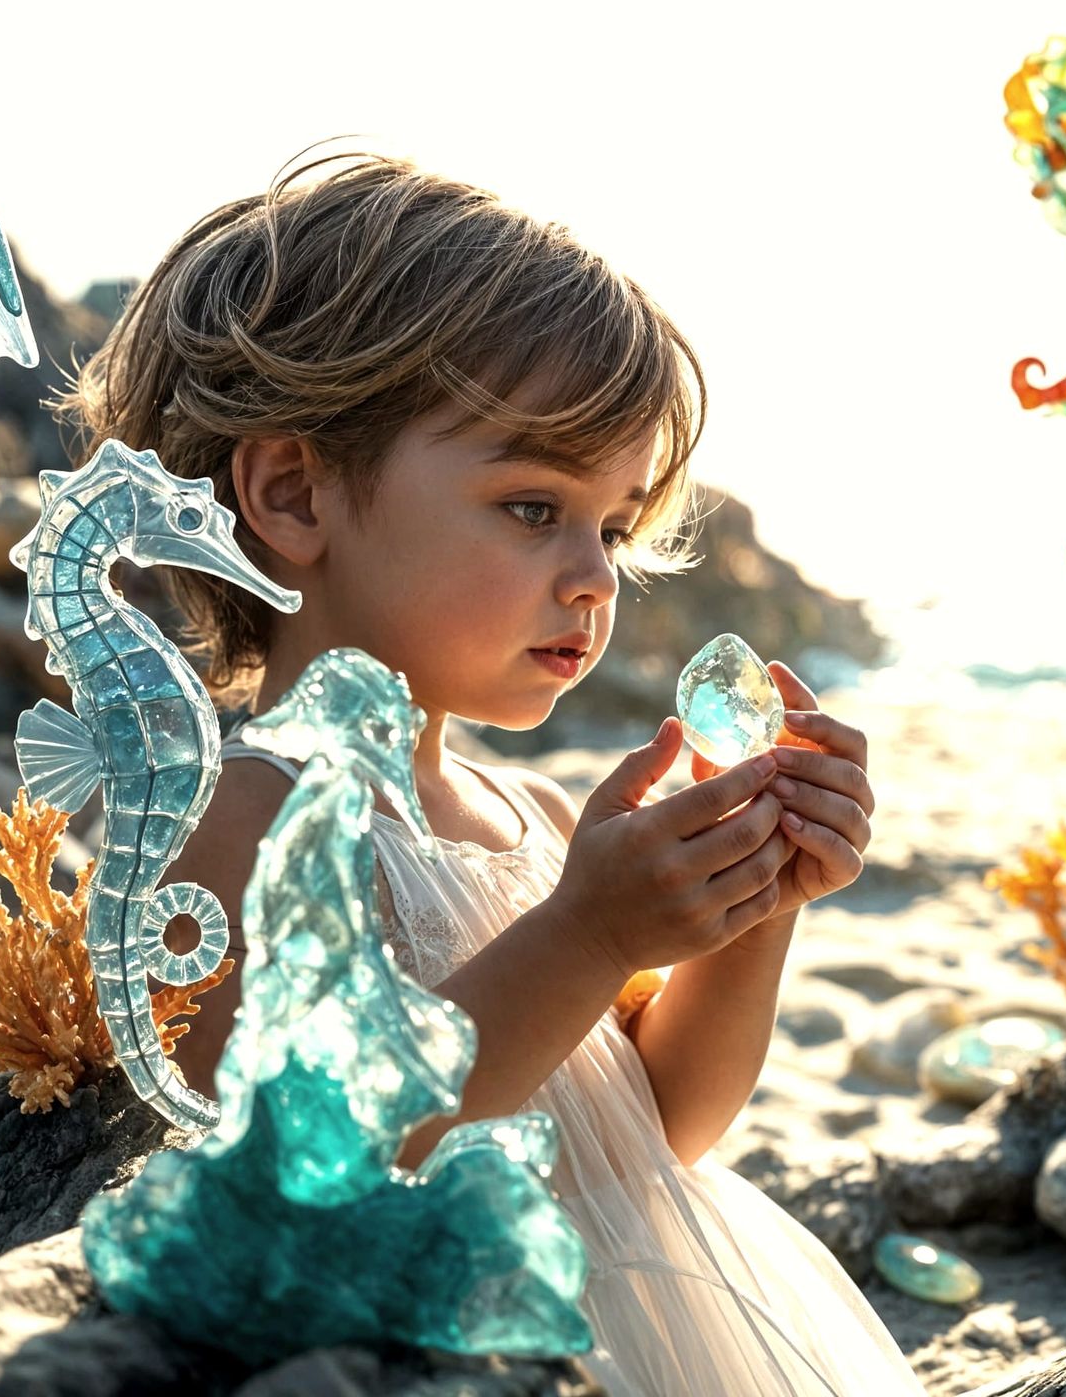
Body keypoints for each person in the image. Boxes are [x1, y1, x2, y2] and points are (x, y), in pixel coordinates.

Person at [54, 142, 924, 1396]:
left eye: (614, 525)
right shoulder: (232, 821)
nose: (595, 575)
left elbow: (653, 1134)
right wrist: (582, 934)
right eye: (533, 507)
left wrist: (752, 909)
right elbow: (310, 1173)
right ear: (293, 493)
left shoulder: (537, 819)